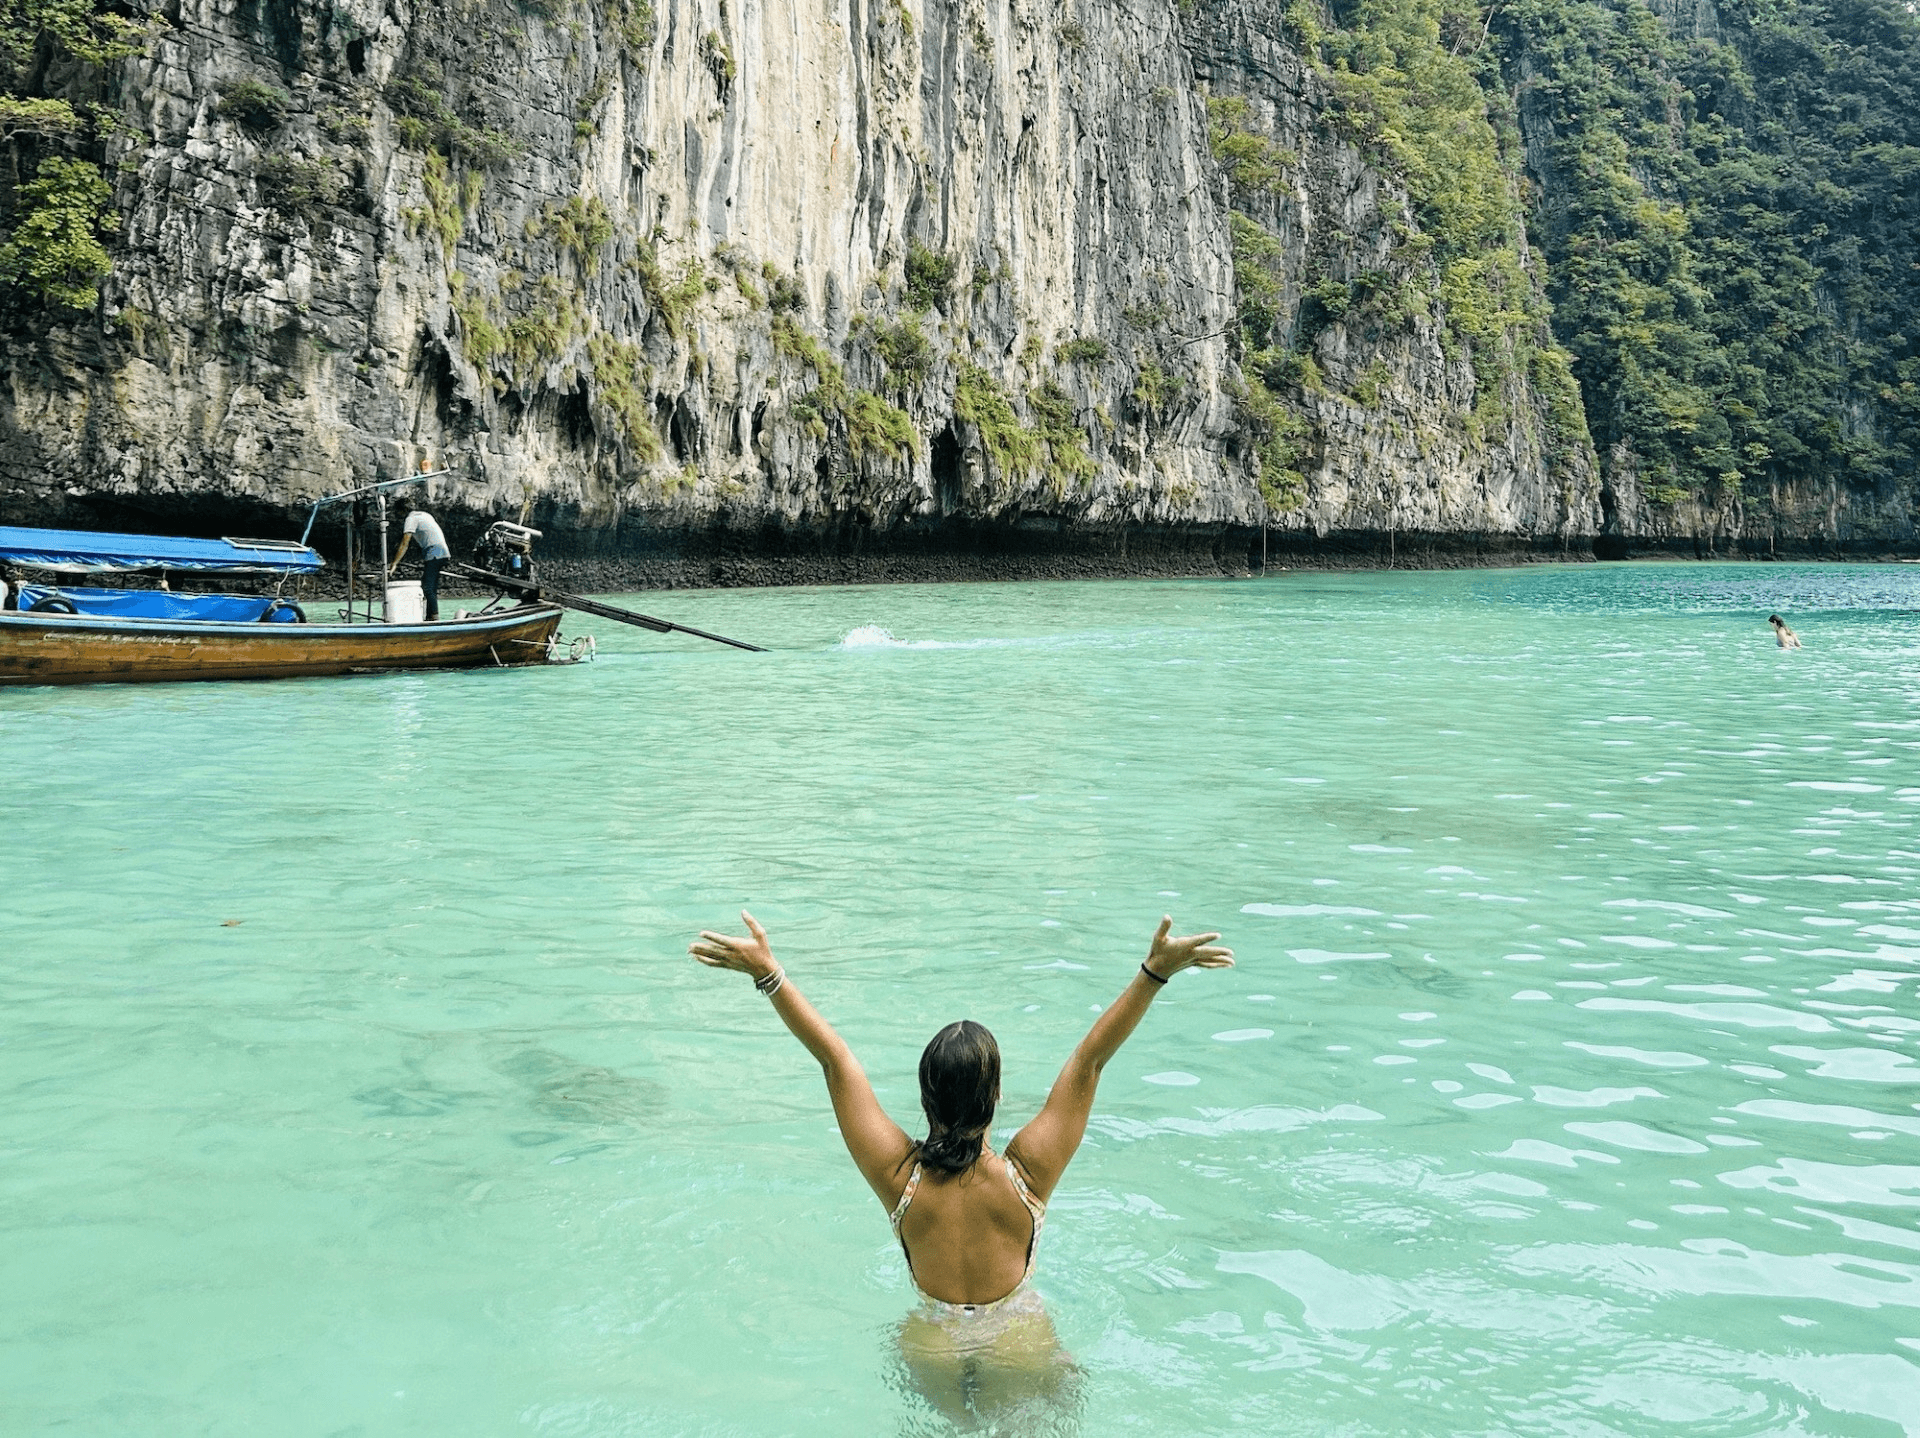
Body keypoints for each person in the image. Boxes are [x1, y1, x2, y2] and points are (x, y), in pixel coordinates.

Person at [689, 912, 1233, 1423]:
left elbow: (835, 1061)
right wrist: (1153, 972)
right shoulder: (1028, 1174)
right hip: (1018, 1340)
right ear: (996, 1096)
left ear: (925, 1098)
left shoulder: (900, 1179)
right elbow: (1089, 1061)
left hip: (933, 1344)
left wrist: (769, 973)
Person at [389, 499, 450, 620]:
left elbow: (405, 543)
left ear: (403, 510)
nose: (396, 515)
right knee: (431, 587)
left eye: (397, 512)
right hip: (442, 551)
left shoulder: (411, 519)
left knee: (427, 587)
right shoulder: (424, 514)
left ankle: (434, 619)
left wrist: (395, 563)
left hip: (435, 552)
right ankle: (430, 617)